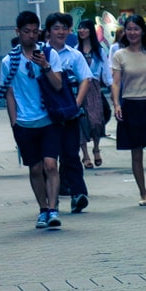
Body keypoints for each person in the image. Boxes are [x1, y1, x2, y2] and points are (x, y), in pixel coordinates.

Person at [0, 11, 66, 227]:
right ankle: (43, 208)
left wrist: (45, 66)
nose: (31, 36)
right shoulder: (8, 61)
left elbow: (58, 85)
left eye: (35, 31)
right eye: (26, 32)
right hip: (24, 122)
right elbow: (9, 92)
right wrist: (14, 122)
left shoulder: (49, 54)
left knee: (51, 164)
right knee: (35, 168)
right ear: (18, 32)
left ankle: (53, 209)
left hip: (48, 118)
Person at [111, 15, 146, 206]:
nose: (133, 32)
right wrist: (117, 104)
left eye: (136, 29)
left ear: (143, 30)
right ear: (124, 32)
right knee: (136, 152)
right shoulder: (119, 55)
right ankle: (143, 193)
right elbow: (116, 83)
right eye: (129, 29)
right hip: (131, 104)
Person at [45, 13, 93, 215]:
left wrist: (76, 105)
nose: (61, 32)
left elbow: (86, 79)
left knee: (71, 155)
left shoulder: (74, 55)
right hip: (45, 116)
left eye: (64, 28)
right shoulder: (41, 55)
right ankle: (49, 201)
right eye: (56, 28)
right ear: (48, 31)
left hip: (70, 114)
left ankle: (78, 194)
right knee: (48, 160)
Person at [77, 19, 111, 170]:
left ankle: (96, 147)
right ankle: (85, 154)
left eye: (85, 28)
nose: (82, 31)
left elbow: (107, 73)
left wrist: (113, 88)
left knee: (96, 120)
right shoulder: (75, 50)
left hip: (95, 88)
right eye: (80, 28)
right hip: (79, 88)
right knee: (81, 121)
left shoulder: (99, 51)